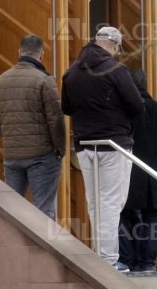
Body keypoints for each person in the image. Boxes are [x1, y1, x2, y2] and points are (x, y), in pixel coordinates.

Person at [62, 26, 144, 272]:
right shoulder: (116, 70)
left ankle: (100, 254)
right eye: (119, 48)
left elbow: (66, 108)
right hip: (114, 143)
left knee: (95, 202)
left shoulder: (72, 72)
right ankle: (108, 260)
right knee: (111, 202)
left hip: (85, 145)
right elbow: (137, 105)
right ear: (114, 45)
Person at [0, 34, 66, 219]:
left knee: (12, 212)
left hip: (12, 156)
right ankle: (42, 249)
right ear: (41, 54)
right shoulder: (44, 80)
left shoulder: (1, 81)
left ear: (19, 52)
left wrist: (12, 142)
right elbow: (55, 119)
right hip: (42, 156)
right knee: (43, 210)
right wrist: (60, 149)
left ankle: (13, 247)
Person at [118, 69, 157, 273]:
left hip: (128, 170)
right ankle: (147, 261)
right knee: (150, 216)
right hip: (154, 171)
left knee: (125, 214)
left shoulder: (123, 111)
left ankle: (127, 259)